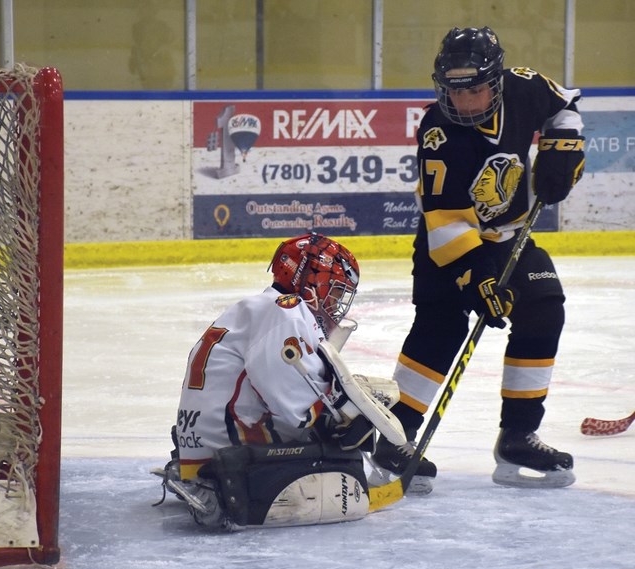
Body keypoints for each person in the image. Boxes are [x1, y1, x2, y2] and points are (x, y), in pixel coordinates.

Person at [374, 26, 585, 489]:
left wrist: (562, 149)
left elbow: (566, 106)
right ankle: (393, 438)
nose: (464, 100)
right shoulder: (438, 130)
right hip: (449, 241)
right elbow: (444, 218)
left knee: (544, 308)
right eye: (454, 90)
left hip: (509, 235)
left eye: (474, 89)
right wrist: (477, 277)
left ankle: (518, 435)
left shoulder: (526, 86)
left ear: (496, 79)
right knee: (441, 327)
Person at [156, 232, 414, 530]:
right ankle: (216, 485)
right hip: (228, 452)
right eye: (334, 292)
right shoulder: (286, 312)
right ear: (310, 278)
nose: (336, 304)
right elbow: (296, 407)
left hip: (204, 444)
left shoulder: (264, 307)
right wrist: (341, 419)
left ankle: (197, 472)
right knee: (342, 458)